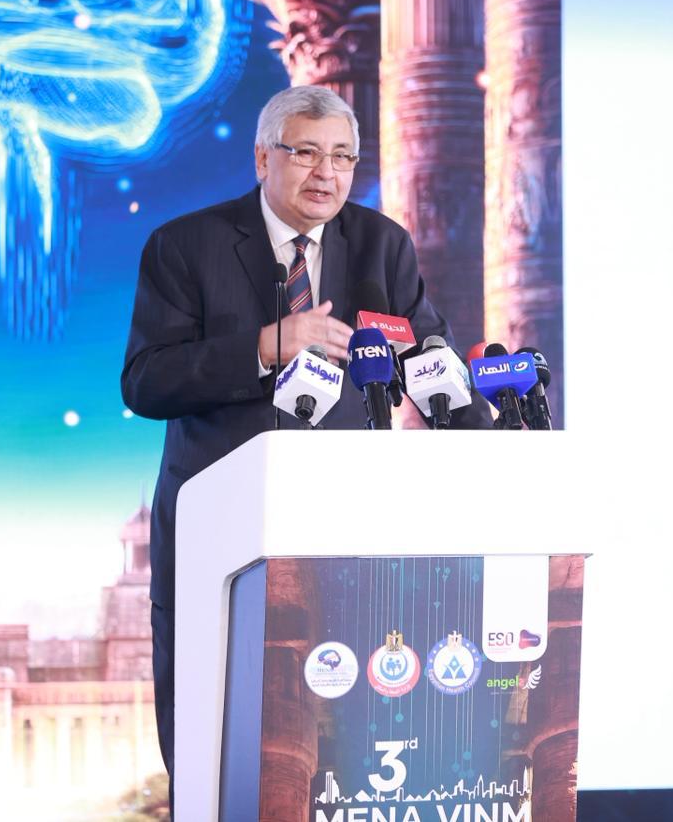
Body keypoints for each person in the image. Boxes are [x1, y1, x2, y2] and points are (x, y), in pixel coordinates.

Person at [120, 85, 492, 787]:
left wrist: (501, 451)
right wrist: (267, 344)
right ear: (264, 158)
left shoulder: (381, 245)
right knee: (215, 736)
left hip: (343, 528)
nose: (327, 174)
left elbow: (429, 359)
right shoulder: (185, 246)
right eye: (307, 154)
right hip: (219, 531)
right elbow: (146, 383)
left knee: (342, 734)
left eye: (344, 157)